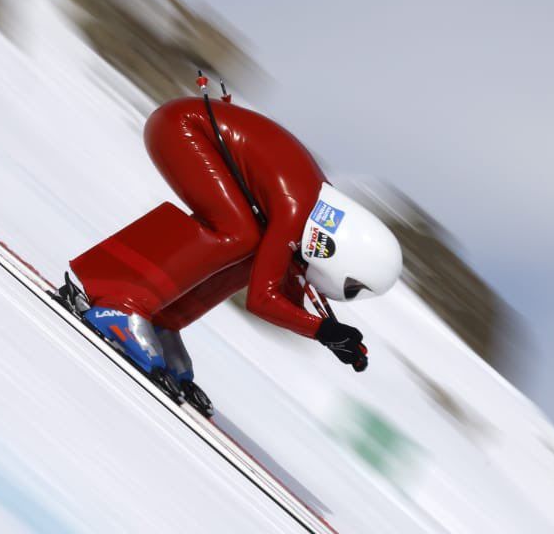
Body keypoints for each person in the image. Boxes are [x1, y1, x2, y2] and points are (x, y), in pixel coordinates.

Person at [61, 90, 402, 415]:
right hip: (182, 128)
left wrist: (329, 333)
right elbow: (262, 299)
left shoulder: (312, 213)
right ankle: (119, 304)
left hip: (186, 126)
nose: (345, 292)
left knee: (251, 246)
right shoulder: (297, 211)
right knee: (237, 233)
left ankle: (162, 320)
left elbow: (284, 286)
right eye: (352, 287)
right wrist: (323, 331)